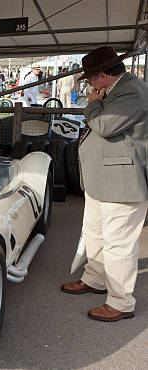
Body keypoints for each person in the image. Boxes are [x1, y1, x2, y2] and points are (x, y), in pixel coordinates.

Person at [60, 46, 148, 322]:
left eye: (89, 79)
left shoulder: (132, 91)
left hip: (121, 185)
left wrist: (92, 104)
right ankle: (96, 279)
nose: (88, 84)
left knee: (118, 245)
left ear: (101, 76)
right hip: (104, 182)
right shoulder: (118, 89)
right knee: (95, 235)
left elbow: (106, 126)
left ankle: (121, 302)